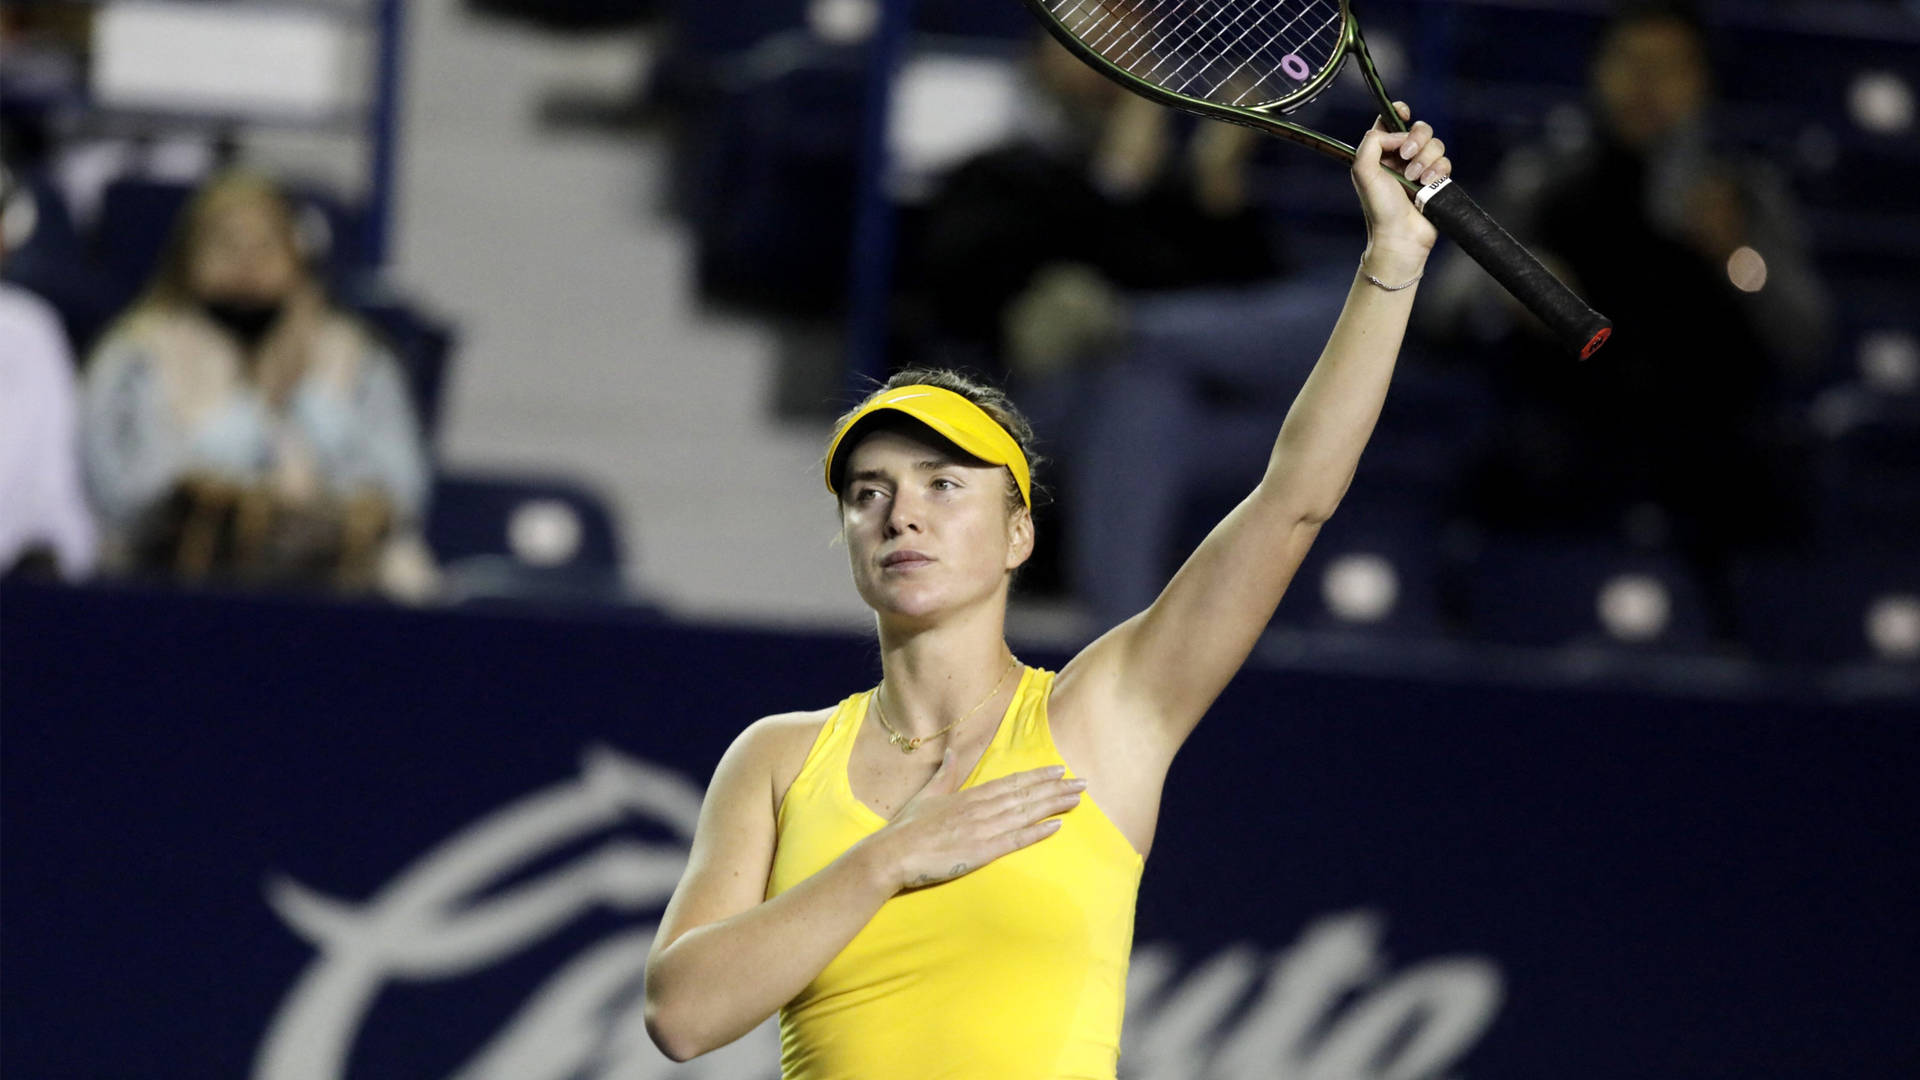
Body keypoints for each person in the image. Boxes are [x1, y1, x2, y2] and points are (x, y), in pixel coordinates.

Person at [643, 102, 1452, 1075]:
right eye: (871, 494)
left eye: (945, 486)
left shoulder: (1101, 714)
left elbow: (1293, 502)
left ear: (1018, 532)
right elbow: (682, 1016)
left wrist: (1391, 262)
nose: (902, 515)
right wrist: (890, 857)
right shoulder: (775, 760)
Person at [1421, 2, 1829, 635]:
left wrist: (1738, 256)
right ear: (1597, 73)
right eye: (1630, 64)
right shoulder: (1543, 178)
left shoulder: (1742, 190)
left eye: (1668, 67)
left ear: (1703, 83)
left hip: (1710, 446)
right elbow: (1441, 308)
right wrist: (1510, 286)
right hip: (1561, 436)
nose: (1647, 85)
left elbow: (1806, 338)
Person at [79, 171, 433, 597]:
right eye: (226, 244)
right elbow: (125, 500)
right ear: (187, 256)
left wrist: (312, 399)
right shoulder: (136, 353)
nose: (247, 261)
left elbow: (402, 494)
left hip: (335, 585)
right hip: (172, 584)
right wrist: (238, 418)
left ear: (297, 258)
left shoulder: (354, 353)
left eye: (266, 244)